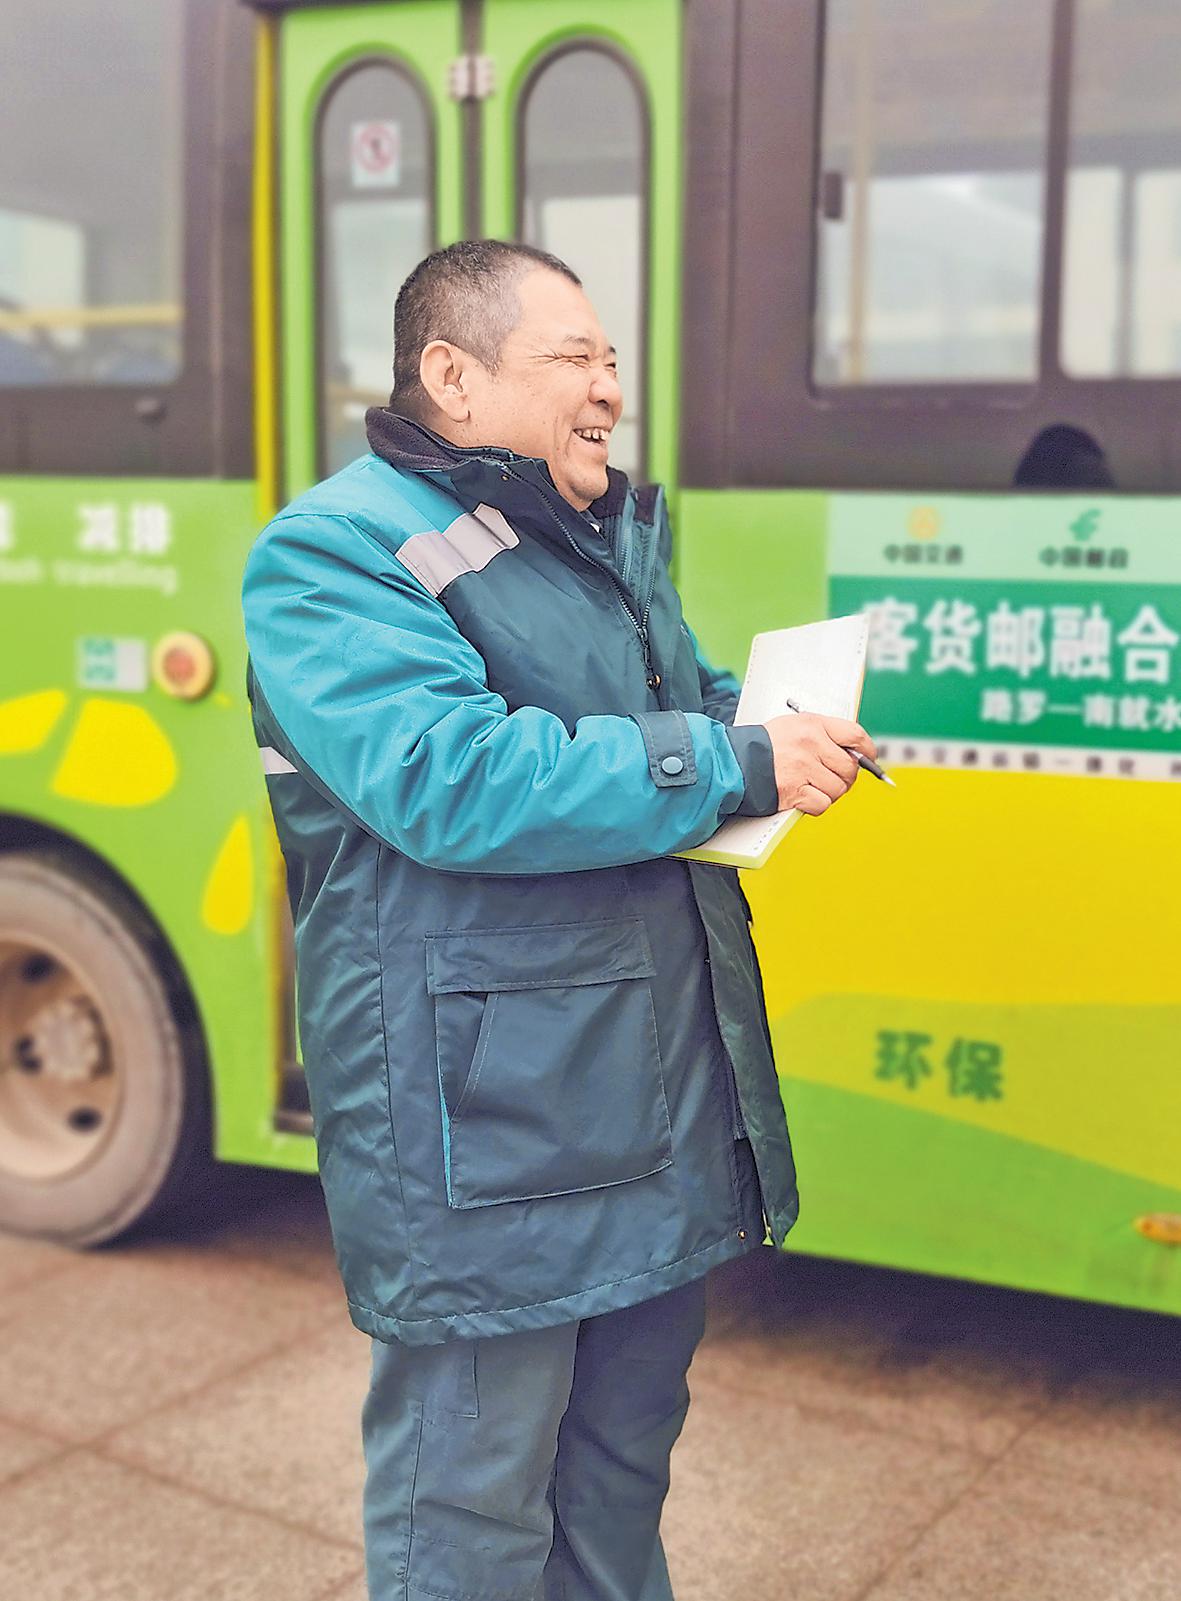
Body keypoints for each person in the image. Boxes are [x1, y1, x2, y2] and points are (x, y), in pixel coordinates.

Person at [240, 239, 874, 1601]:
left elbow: (668, 703)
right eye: (574, 357)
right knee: (470, 1512)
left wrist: (771, 725)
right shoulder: (333, 551)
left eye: (611, 359)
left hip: (643, 1100)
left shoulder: (595, 531)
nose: (608, 389)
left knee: (617, 1479)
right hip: (487, 1140)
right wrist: (727, 763)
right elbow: (448, 778)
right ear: (451, 376)